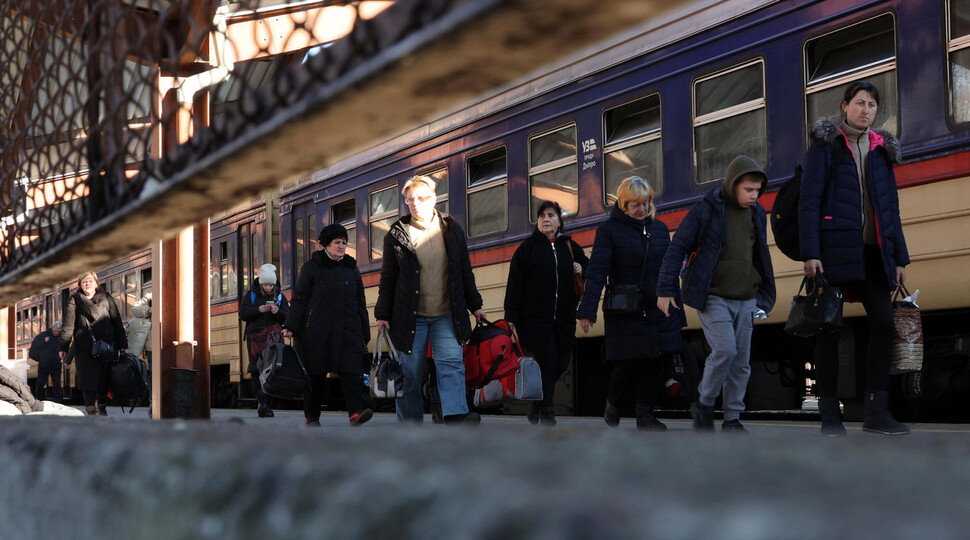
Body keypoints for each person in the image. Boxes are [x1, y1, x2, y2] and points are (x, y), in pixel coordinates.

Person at [799, 81, 909, 436]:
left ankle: (876, 411)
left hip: (875, 252)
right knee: (829, 328)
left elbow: (891, 209)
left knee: (884, 325)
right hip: (833, 250)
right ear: (845, 106)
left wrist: (899, 258)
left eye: (872, 105)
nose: (866, 110)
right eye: (859, 103)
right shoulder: (826, 145)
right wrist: (811, 253)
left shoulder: (881, 150)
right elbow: (810, 200)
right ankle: (830, 415)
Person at [657, 156, 776, 433]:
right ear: (733, 184)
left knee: (741, 362)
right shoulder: (706, 209)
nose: (754, 195)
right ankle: (705, 403)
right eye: (748, 189)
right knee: (725, 350)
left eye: (757, 190)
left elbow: (759, 254)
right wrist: (664, 289)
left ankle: (732, 419)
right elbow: (678, 247)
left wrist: (763, 292)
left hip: (746, 297)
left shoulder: (757, 213)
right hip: (713, 296)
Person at [375, 174, 486, 425]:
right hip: (409, 317)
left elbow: (464, 270)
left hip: (446, 314)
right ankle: (411, 424)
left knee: (451, 366)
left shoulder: (451, 229)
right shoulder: (397, 234)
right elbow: (388, 277)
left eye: (422, 198)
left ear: (434, 199)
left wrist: (476, 306)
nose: (416, 203)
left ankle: (456, 416)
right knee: (409, 374)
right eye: (410, 199)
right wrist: (382, 315)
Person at [577, 176, 686, 431]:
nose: (642, 209)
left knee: (653, 360)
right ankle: (613, 403)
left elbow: (667, 271)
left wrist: (677, 312)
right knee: (628, 360)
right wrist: (587, 311)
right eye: (636, 204)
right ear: (623, 204)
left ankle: (644, 416)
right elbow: (597, 271)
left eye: (646, 203)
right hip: (626, 307)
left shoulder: (658, 229)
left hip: (657, 306)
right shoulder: (609, 231)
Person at [504, 201, 588, 426]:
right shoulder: (527, 249)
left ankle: (536, 401)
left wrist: (582, 268)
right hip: (534, 320)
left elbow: (589, 266)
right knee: (548, 360)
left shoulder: (569, 246)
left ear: (559, 220)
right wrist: (510, 318)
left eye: (551, 215)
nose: (546, 219)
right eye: (541, 216)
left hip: (563, 318)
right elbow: (515, 285)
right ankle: (547, 410)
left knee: (561, 361)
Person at [283, 224, 374, 427]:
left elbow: (360, 303)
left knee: (352, 372)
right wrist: (291, 325)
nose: (342, 246)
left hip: (348, 330)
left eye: (344, 242)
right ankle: (312, 417)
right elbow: (300, 300)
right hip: (316, 331)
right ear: (325, 244)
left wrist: (365, 332)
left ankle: (355, 413)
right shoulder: (312, 268)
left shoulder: (351, 269)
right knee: (316, 375)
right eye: (337, 243)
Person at [59, 272, 128, 416]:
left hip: (107, 345)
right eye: (84, 282)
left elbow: (116, 321)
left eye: (90, 281)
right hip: (84, 347)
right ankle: (90, 407)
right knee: (86, 378)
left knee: (104, 376)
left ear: (96, 284)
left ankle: (102, 405)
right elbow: (68, 325)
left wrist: (122, 344)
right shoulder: (75, 300)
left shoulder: (107, 298)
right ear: (80, 285)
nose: (87, 284)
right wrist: (63, 346)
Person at [239, 263, 289, 418]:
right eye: (266, 284)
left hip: (273, 338)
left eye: (271, 285)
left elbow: (288, 317)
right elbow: (243, 314)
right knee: (257, 369)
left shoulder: (280, 296)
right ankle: (262, 402)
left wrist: (277, 312)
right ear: (261, 283)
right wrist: (258, 310)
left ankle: (266, 403)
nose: (268, 288)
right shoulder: (251, 296)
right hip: (256, 339)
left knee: (273, 370)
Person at [28, 321, 64, 403]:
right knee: (40, 384)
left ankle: (58, 402)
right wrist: (44, 341)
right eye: (55, 331)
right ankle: (39, 400)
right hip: (44, 364)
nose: (57, 333)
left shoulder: (61, 337)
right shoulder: (43, 335)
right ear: (52, 328)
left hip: (56, 364)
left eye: (59, 332)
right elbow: (34, 347)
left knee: (57, 385)